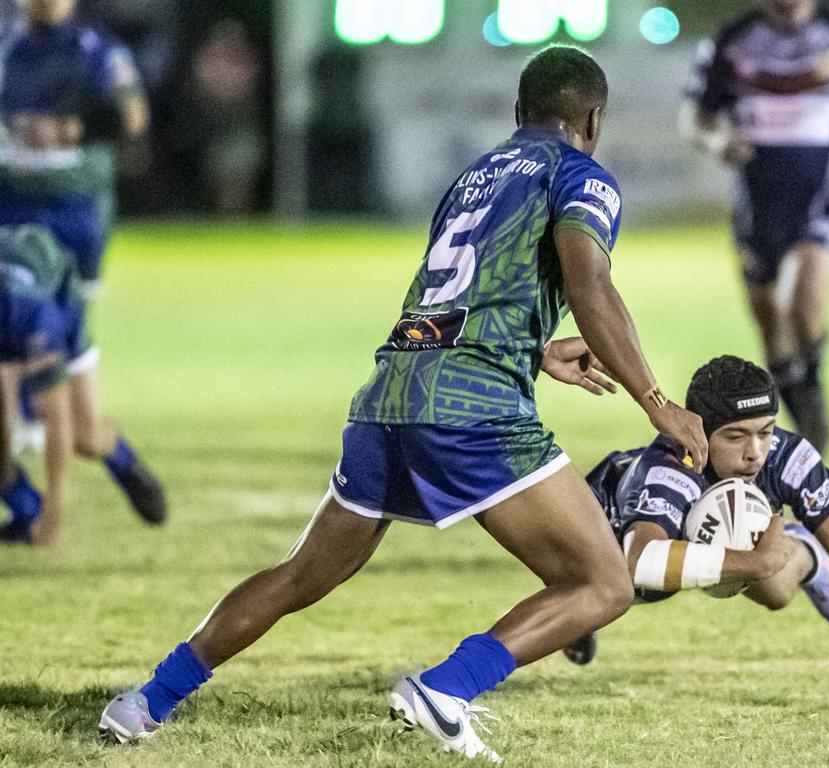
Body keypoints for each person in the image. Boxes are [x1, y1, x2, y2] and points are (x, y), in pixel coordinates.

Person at [97, 45, 708, 761]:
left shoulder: (474, 178)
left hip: (390, 394)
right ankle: (446, 689)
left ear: (519, 113)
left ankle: (146, 701)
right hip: (472, 410)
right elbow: (590, 285)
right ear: (593, 120)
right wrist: (657, 401)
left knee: (301, 575)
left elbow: (451, 298)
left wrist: (538, 352)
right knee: (602, 583)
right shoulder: (580, 176)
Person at [563, 355, 829, 671]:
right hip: (606, 533)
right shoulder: (670, 465)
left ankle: (805, 556)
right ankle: (583, 617)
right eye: (736, 436)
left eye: (766, 431)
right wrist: (756, 561)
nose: (755, 451)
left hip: (700, 549)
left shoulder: (786, 456)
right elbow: (642, 562)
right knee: (605, 591)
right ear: (696, 430)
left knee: (773, 591)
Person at [685, 0, 829, 452]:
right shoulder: (733, 40)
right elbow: (696, 116)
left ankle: (812, 429)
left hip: (822, 201)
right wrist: (718, 142)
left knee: (801, 307)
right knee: (772, 331)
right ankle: (805, 408)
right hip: (757, 209)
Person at [0, 0, 149, 452]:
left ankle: (62, 419)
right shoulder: (7, 46)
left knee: (67, 313)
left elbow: (133, 117)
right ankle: (20, 421)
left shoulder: (97, 50)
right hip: (12, 198)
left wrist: (69, 128)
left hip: (73, 201)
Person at [0, 224, 165, 544]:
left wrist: (55, 518)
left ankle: (121, 458)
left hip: (58, 300)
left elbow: (56, 420)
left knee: (83, 436)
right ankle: (25, 513)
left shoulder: (34, 319)